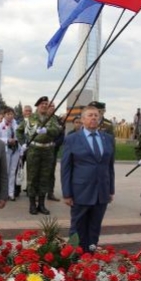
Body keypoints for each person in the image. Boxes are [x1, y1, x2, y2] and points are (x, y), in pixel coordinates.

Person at [61, 105, 115, 252]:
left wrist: (111, 190)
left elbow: (110, 167)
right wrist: (67, 193)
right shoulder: (72, 139)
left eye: (96, 115)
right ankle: (73, 258)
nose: (93, 118)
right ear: (83, 119)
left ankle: (90, 257)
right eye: (90, 115)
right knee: (77, 228)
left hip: (101, 192)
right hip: (80, 191)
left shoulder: (108, 139)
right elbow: (66, 168)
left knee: (94, 228)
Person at [16, 96, 60, 215]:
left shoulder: (52, 118)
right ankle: (32, 204)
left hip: (48, 151)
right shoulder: (30, 118)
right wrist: (23, 143)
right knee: (33, 177)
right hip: (34, 150)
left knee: (44, 177)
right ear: (37, 106)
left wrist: (48, 130)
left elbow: (58, 130)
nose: (45, 106)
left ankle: (41, 204)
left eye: (46, 104)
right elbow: (19, 131)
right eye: (42, 104)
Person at [0, 107, 19, 201]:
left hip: (15, 150)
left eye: (11, 114)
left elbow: (20, 136)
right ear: (4, 115)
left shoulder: (16, 125)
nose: (10, 116)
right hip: (6, 150)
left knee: (13, 172)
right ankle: (3, 192)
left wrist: (17, 142)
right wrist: (7, 140)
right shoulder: (0, 126)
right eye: (8, 114)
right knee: (5, 172)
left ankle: (11, 193)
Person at [47, 101, 64, 202]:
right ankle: (37, 193)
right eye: (50, 106)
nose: (52, 108)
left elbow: (62, 135)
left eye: (53, 106)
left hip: (52, 149)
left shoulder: (57, 120)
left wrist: (55, 143)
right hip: (41, 149)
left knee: (50, 172)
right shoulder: (41, 118)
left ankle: (50, 192)